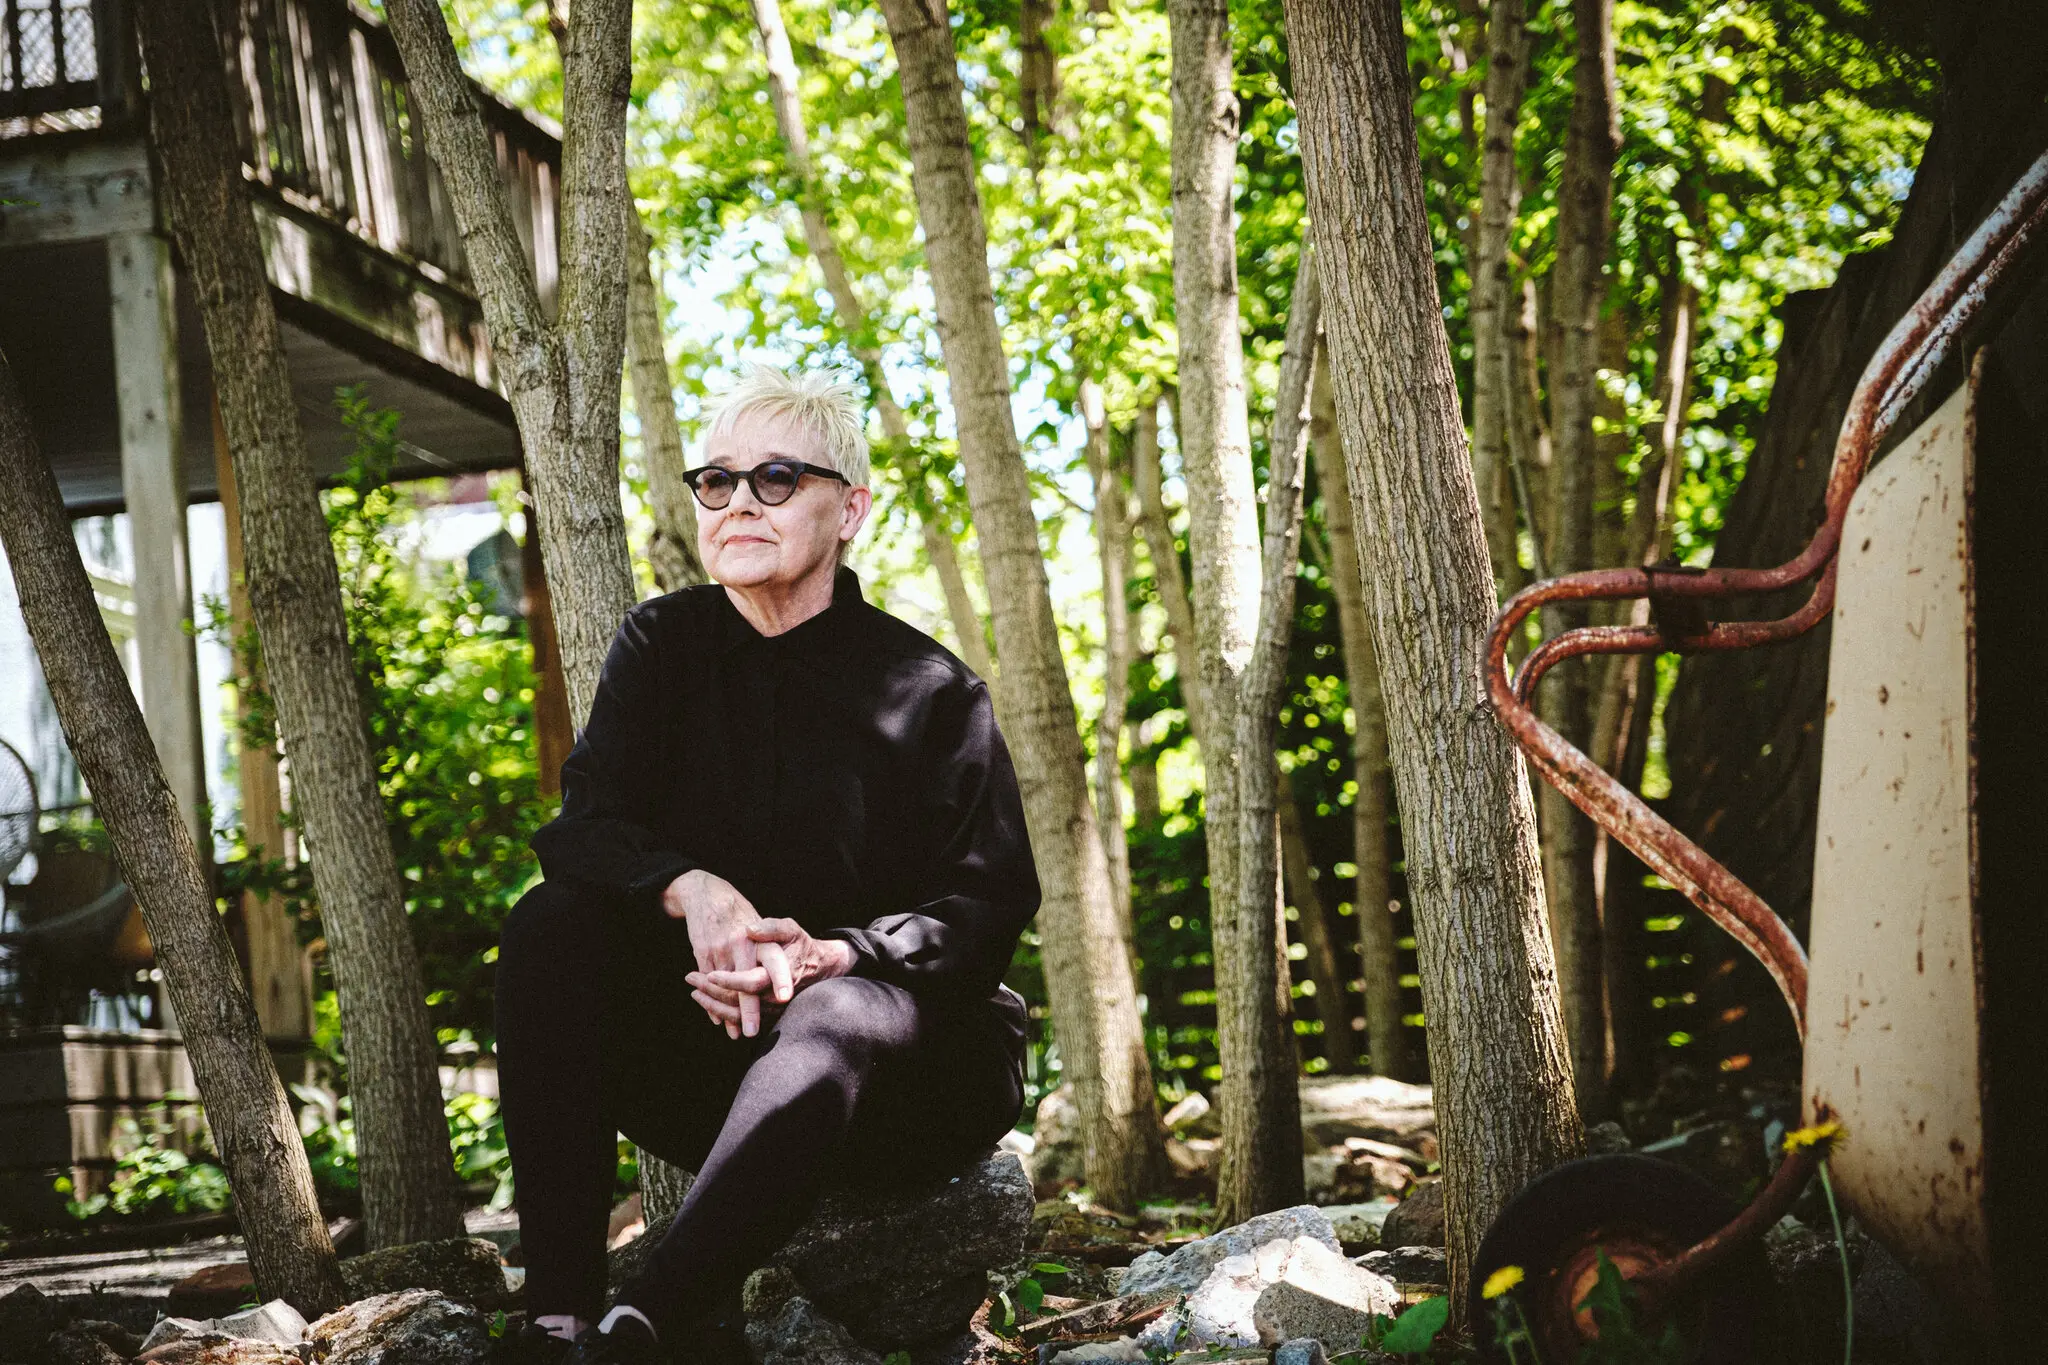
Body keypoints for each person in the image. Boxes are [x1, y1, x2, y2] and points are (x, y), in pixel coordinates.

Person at [491, 367, 1040, 1365]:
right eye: (718, 481)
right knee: (548, 925)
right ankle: (559, 1315)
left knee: (834, 1010)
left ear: (850, 511)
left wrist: (832, 955)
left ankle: (644, 1325)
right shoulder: (663, 647)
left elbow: (987, 904)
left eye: (777, 478)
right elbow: (583, 828)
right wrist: (687, 887)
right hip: (715, 1057)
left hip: (905, 1076)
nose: (738, 500)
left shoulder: (930, 690)